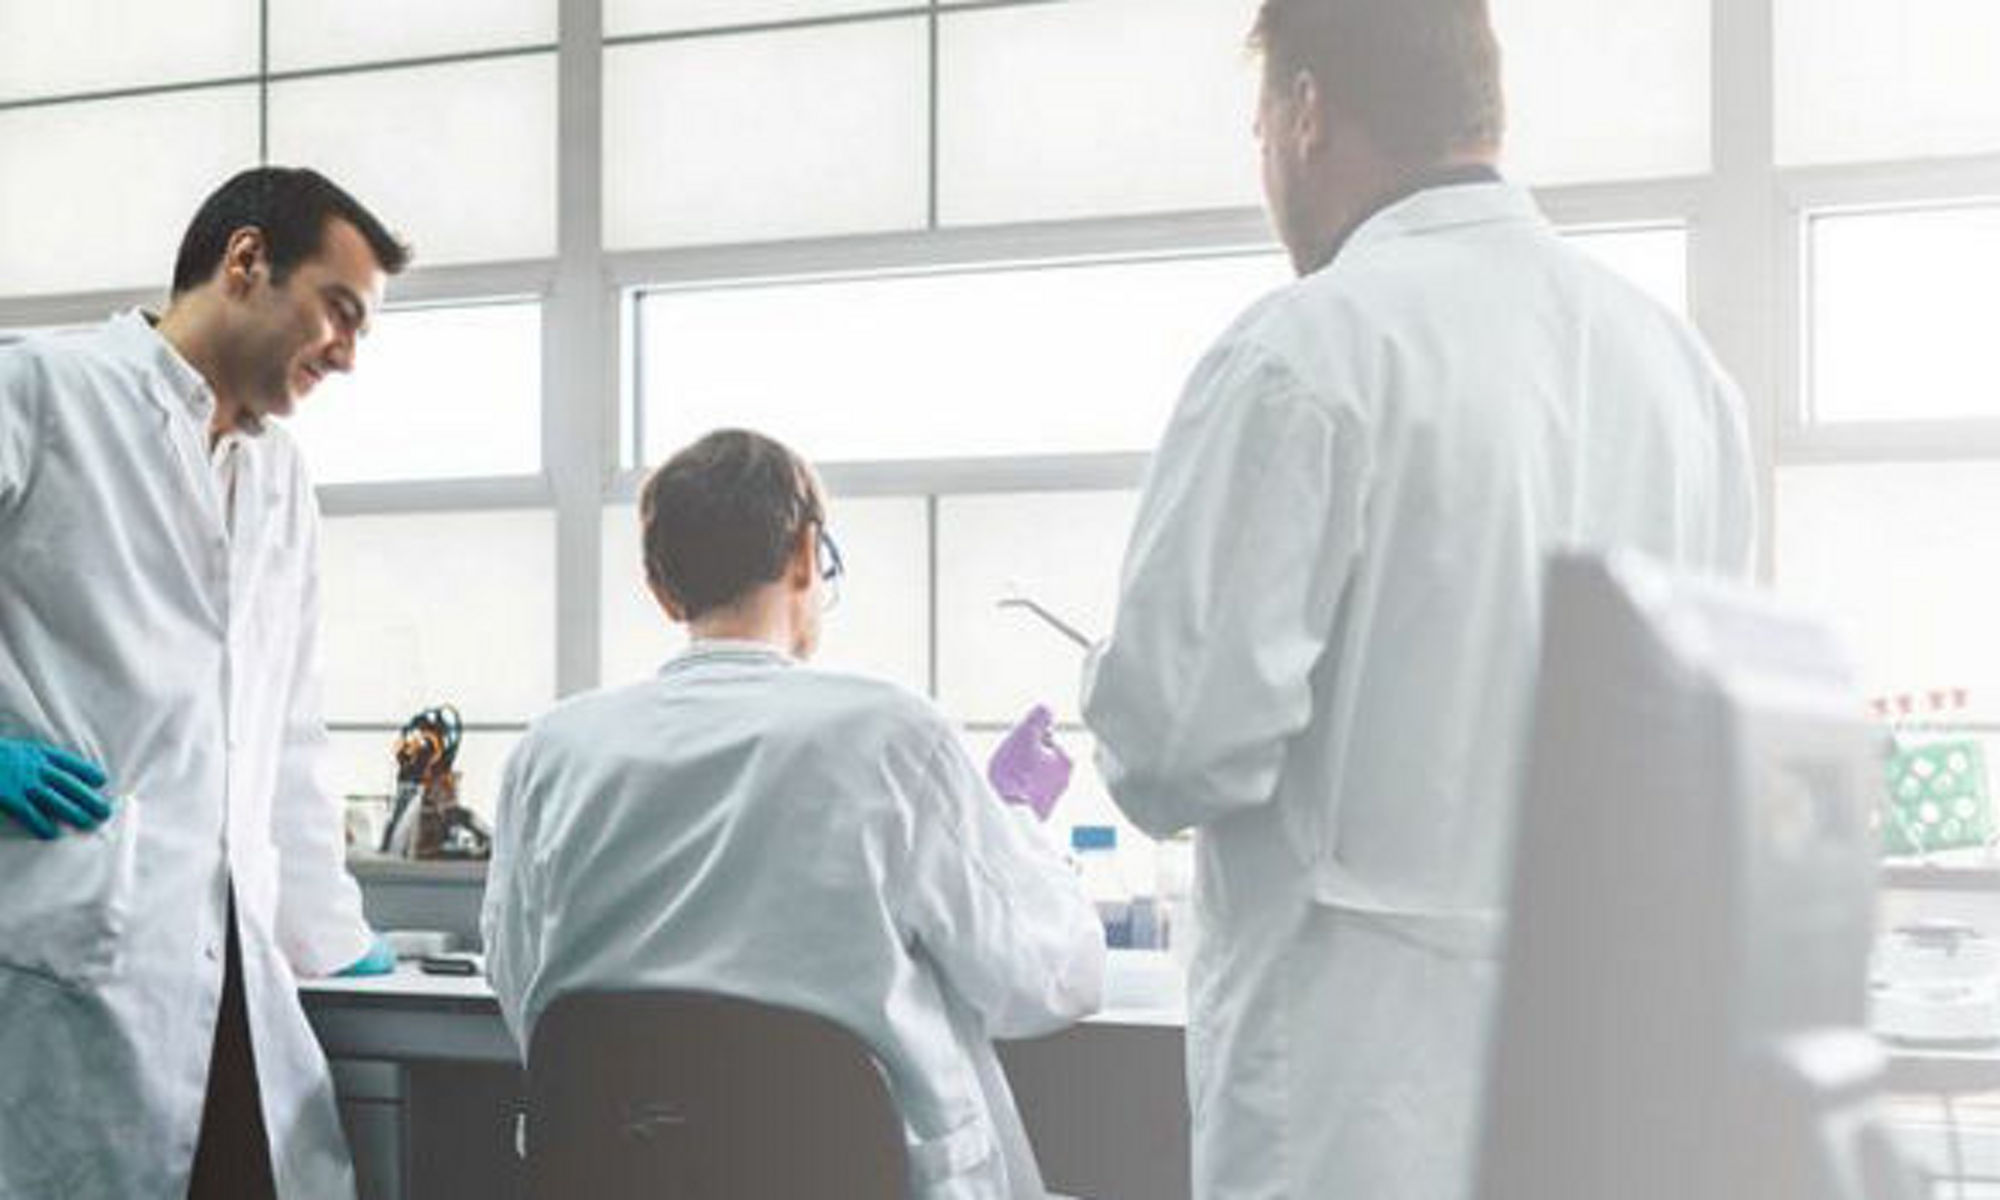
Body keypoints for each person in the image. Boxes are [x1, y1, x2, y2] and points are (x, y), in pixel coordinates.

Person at [1079, 2, 1757, 1198]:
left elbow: (1173, 748)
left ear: (1302, 112)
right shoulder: (1683, 378)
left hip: (1352, 1113)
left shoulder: (1307, 352)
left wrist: (1114, 672)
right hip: (1599, 1106)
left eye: (1258, 127)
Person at [483, 429, 1105, 1200]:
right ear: (809, 554)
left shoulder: (553, 748)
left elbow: (525, 996)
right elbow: (1048, 980)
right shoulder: (889, 732)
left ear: (659, 585)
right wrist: (1017, 821)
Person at [0, 166, 410, 1199]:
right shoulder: (40, 391)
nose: (350, 358)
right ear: (245, 262)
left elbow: (288, 733)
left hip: (232, 972)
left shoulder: (279, 479)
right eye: (339, 311)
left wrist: (331, 931)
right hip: (63, 963)